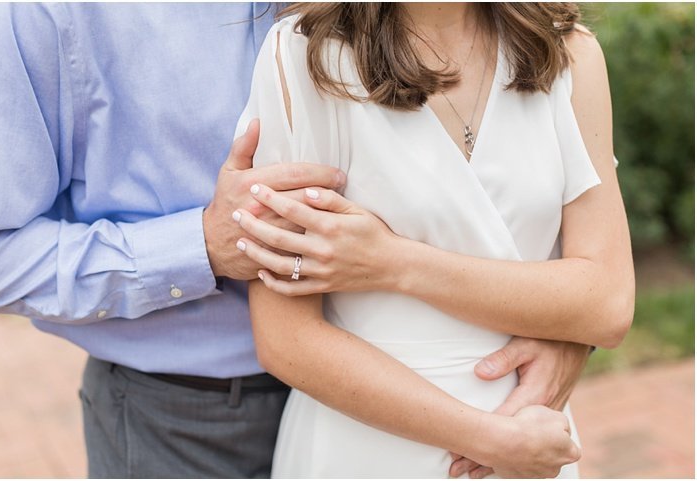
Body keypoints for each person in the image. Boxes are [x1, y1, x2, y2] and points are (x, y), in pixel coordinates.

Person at [0, 2, 614, 479]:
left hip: (452, 392)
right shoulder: (46, 14)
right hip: (189, 416)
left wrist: (566, 331)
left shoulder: (542, 45)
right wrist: (199, 246)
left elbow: (551, 233)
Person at [231, 2, 634, 478]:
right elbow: (286, 339)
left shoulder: (569, 51)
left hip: (534, 438)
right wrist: (489, 439)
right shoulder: (304, 54)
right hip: (369, 447)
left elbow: (608, 306)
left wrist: (394, 262)